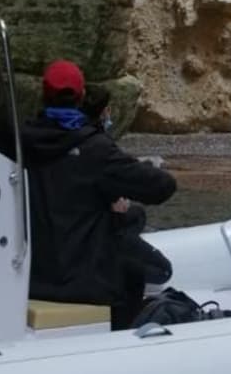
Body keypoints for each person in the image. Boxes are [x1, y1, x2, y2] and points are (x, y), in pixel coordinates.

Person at [25, 61, 176, 328]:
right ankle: (120, 343)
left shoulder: (20, 142)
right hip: (84, 283)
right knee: (136, 272)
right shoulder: (95, 150)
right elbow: (162, 186)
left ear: (43, 95)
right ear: (80, 96)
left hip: (31, 278)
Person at [83, 85, 173, 290]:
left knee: (137, 214)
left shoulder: (78, 144)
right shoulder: (100, 147)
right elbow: (161, 186)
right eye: (108, 110)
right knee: (163, 271)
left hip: (85, 221)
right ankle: (115, 270)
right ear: (103, 111)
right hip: (98, 229)